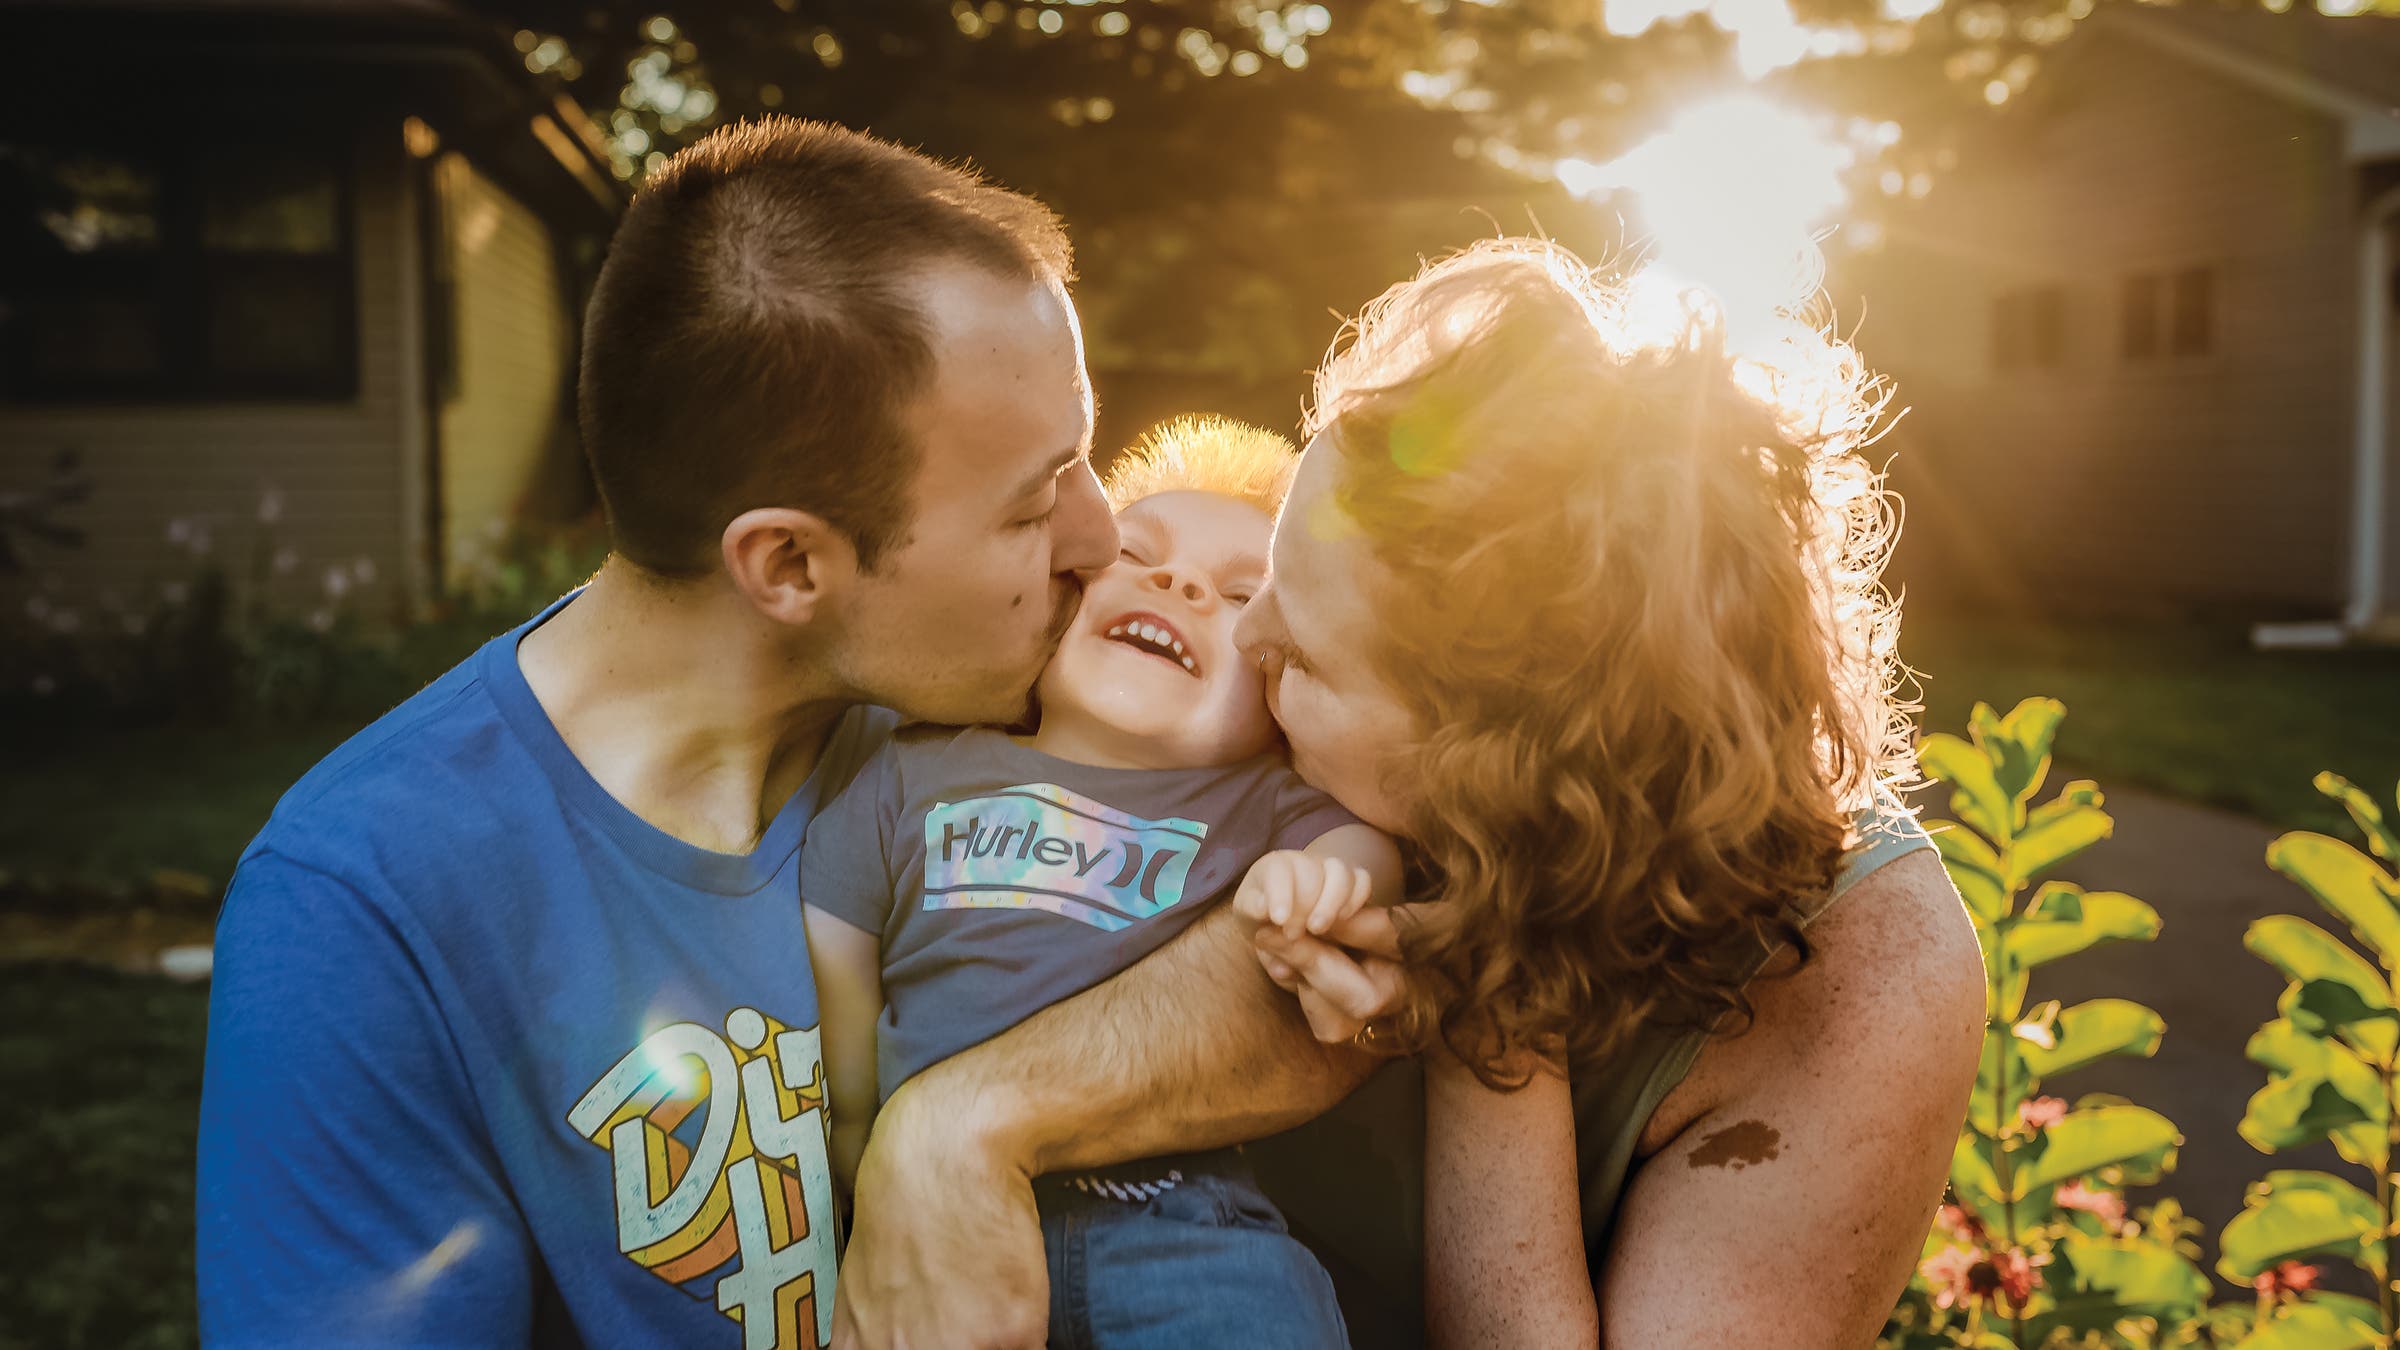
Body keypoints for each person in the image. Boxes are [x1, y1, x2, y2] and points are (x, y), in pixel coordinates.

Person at [194, 119, 1371, 1350]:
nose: (1099, 540)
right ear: (791, 563)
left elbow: (1329, 974)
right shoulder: (365, 905)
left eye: (1083, 459)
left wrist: (957, 1124)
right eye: (1034, 505)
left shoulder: (1018, 686)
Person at [1225, 238, 1990, 1347]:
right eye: (1266, 579)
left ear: (1501, 763)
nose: (1240, 639)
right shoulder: (1229, 683)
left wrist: (1495, 1008)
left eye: (1305, 659)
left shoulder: (1865, 980)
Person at [802, 416, 1401, 1349]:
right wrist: (857, 1160)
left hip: (1183, 1230)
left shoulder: (1257, 802)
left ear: (1284, 694)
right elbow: (836, 960)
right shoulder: (913, 771)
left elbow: (1366, 857)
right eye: (1138, 553)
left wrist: (1320, 884)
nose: (1182, 583)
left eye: (1243, 594)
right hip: (934, 1228)